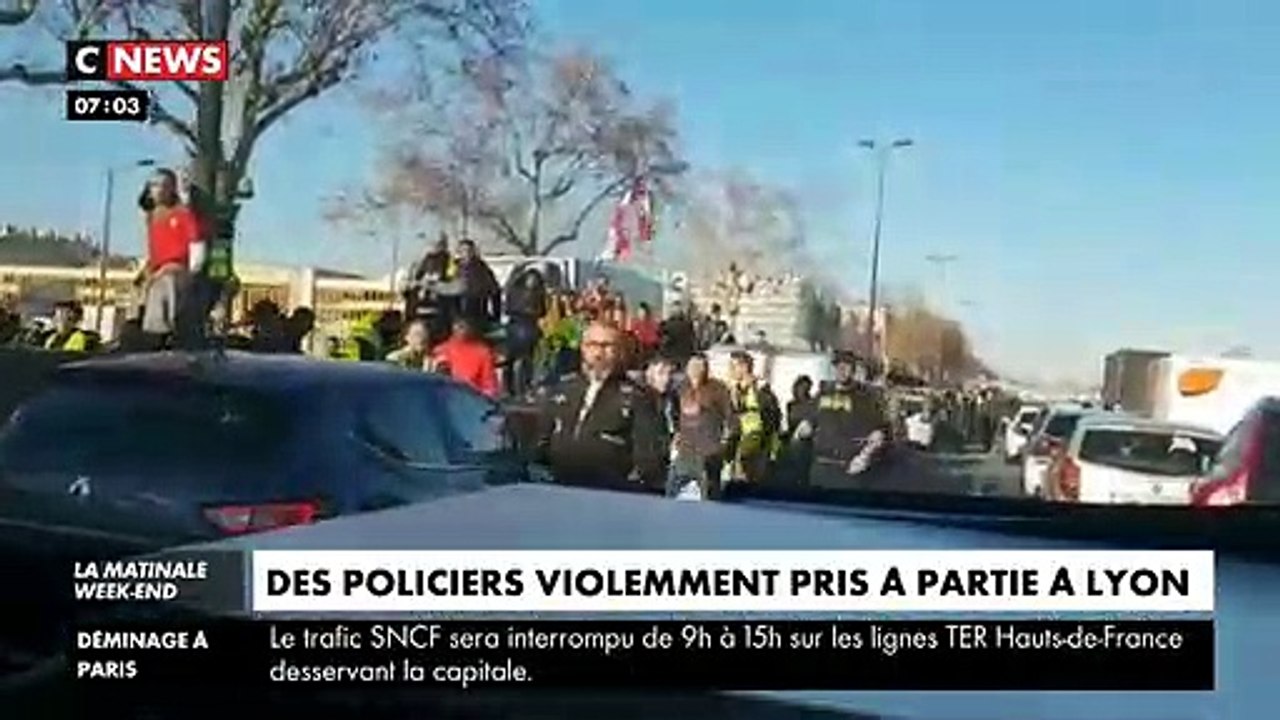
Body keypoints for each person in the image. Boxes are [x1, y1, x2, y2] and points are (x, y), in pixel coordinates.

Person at [533, 321, 667, 492]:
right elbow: (541, 441)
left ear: (619, 350)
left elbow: (650, 461)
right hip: (558, 491)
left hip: (608, 496)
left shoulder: (637, 397)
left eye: (606, 346)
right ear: (582, 348)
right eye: (592, 345)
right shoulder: (563, 389)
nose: (598, 353)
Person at [137, 168, 205, 349]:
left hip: (176, 270)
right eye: (153, 185)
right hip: (157, 272)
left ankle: (164, 337)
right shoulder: (152, 217)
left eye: (163, 185)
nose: (158, 190)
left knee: (166, 296)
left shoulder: (182, 213)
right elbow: (154, 250)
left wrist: (193, 271)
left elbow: (195, 242)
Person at [812, 353, 893, 478]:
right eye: (838, 366)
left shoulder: (865, 396)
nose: (842, 369)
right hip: (821, 464)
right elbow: (810, 419)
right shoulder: (823, 393)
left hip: (851, 467)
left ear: (854, 370)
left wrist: (864, 457)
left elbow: (880, 432)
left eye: (846, 366)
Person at [670, 353, 734, 499]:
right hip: (685, 451)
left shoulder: (718, 389)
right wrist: (675, 433)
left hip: (709, 453)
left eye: (700, 366)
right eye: (692, 366)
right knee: (672, 493)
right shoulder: (680, 388)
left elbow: (731, 418)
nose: (696, 370)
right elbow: (673, 413)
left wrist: (726, 445)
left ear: (706, 369)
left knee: (710, 497)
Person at [725, 350, 781, 487]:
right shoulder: (729, 388)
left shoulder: (760, 391)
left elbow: (772, 418)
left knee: (747, 477)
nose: (730, 370)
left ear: (744, 367)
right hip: (733, 437)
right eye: (730, 366)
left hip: (754, 440)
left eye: (734, 366)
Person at [505, 268, 548, 397]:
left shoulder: (537, 293)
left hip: (525, 326)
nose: (532, 283)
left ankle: (520, 384)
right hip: (521, 325)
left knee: (524, 357)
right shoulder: (518, 291)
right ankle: (517, 385)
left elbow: (542, 311)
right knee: (517, 357)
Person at [433, 317, 499, 397]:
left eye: (463, 325)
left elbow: (489, 386)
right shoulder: (441, 350)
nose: (460, 328)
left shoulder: (483, 352)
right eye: (458, 325)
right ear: (452, 327)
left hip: (473, 400)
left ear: (471, 327)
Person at [454, 240, 501, 332]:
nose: (466, 253)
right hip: (457, 311)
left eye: (469, 250)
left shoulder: (481, 268)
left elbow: (495, 290)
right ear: (459, 252)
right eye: (463, 250)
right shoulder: (454, 267)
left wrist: (496, 315)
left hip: (477, 310)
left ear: (473, 251)